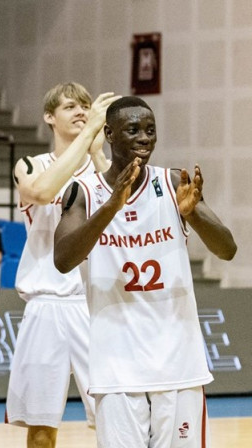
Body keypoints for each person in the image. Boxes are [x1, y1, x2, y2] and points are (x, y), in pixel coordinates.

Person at [54, 96, 236, 447]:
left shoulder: (172, 183)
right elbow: (63, 259)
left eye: (150, 130)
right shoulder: (84, 192)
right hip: (117, 367)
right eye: (133, 130)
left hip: (179, 364)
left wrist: (193, 214)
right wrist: (111, 206)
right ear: (108, 133)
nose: (144, 138)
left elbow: (227, 249)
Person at [5, 82, 119, 448]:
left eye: (85, 106)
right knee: (41, 428)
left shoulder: (103, 167)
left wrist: (98, 153)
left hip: (95, 305)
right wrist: (87, 137)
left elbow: (125, 212)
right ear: (49, 117)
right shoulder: (30, 164)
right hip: (47, 303)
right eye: (70, 106)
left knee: (113, 418)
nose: (81, 111)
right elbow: (39, 192)